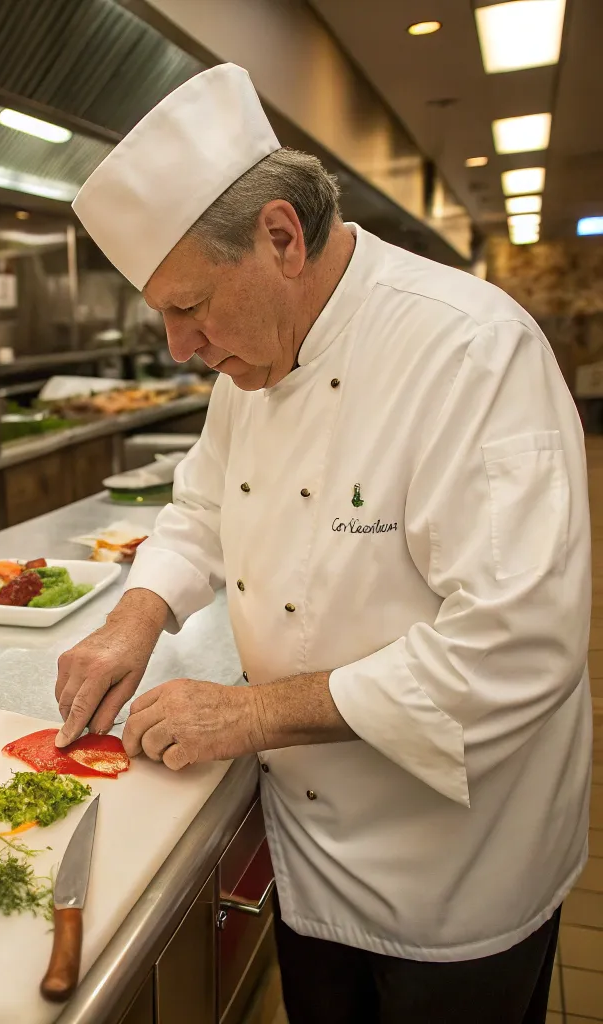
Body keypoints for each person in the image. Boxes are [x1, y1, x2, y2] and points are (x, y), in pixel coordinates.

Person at [56, 63, 592, 1024]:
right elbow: (203, 506)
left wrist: (251, 715)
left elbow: (521, 648)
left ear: (279, 237)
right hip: (308, 856)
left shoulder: (473, 351)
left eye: (189, 305)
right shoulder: (248, 363)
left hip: (456, 868)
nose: (179, 346)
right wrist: (136, 617)